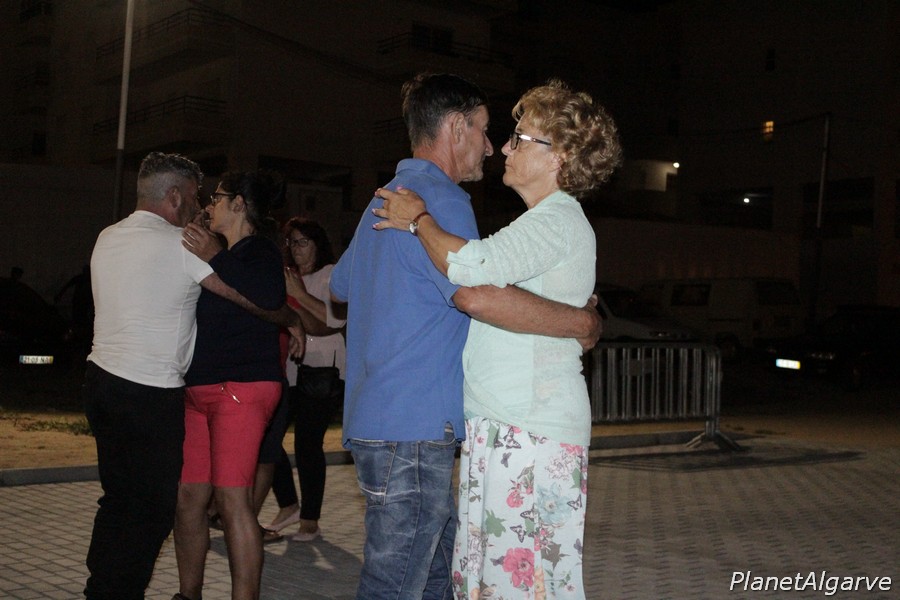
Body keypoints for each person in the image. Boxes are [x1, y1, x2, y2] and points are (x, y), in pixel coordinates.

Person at [330, 72, 602, 600]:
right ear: (456, 128)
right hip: (417, 423)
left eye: (513, 137)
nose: (492, 146)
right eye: (482, 129)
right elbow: (474, 291)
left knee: (440, 574)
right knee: (398, 582)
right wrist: (581, 322)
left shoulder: (382, 200)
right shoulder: (443, 200)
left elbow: (342, 285)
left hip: (372, 416)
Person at [83, 152, 303, 600]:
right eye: (197, 196)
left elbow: (257, 292)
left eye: (214, 197)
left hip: (114, 384)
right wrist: (289, 318)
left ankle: (105, 589)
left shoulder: (108, 236)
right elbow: (248, 298)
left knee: (131, 499)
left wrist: (286, 314)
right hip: (160, 394)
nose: (202, 205)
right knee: (160, 505)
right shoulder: (184, 245)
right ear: (174, 197)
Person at [173, 170, 288, 600]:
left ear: (239, 204)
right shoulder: (219, 254)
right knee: (189, 497)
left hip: (242, 387)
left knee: (232, 501)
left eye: (217, 197)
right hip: (199, 390)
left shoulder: (259, 251)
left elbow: (269, 297)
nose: (209, 205)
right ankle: (189, 594)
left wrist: (214, 255)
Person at [256, 217, 347, 542]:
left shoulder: (331, 274)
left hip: (324, 369)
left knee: (307, 443)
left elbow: (334, 321)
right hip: (290, 369)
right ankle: (289, 504)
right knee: (267, 438)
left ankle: (310, 520)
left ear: (317, 244)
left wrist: (298, 294)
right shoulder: (286, 276)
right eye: (292, 242)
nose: (296, 248)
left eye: (303, 242)